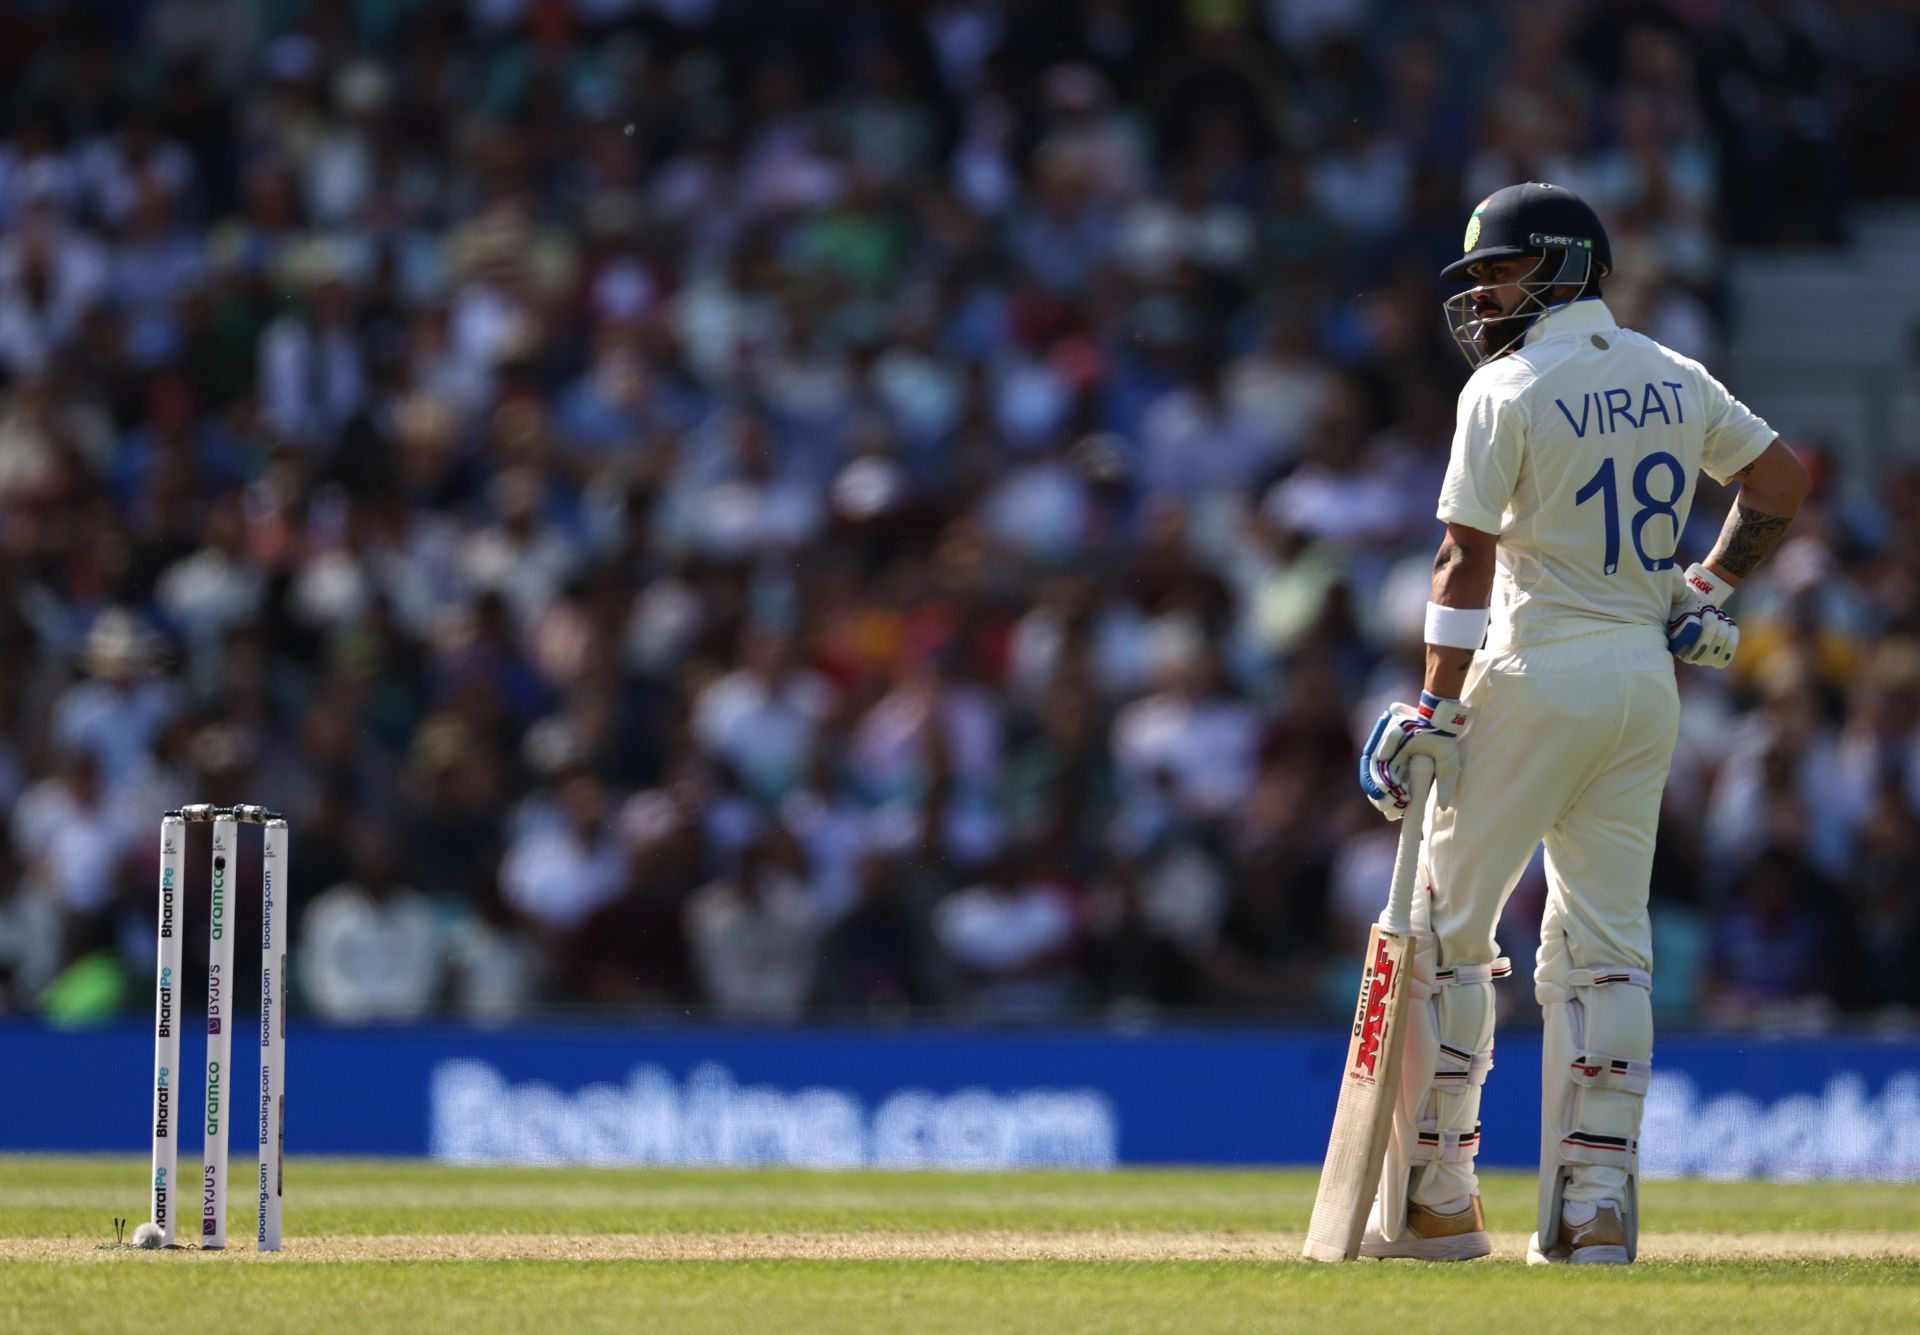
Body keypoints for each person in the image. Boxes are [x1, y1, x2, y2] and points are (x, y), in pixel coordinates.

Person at [1354, 183, 1809, 1264]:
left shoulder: (1506, 390)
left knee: (1444, 930)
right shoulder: (1669, 372)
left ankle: (1438, 1200)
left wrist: (1435, 702)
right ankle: (1592, 1209)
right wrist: (1705, 587)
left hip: (1534, 666)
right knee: (1606, 947)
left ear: (1558, 267)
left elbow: (1463, 556)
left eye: (1502, 272)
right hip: (1642, 685)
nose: (1485, 297)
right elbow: (1780, 482)